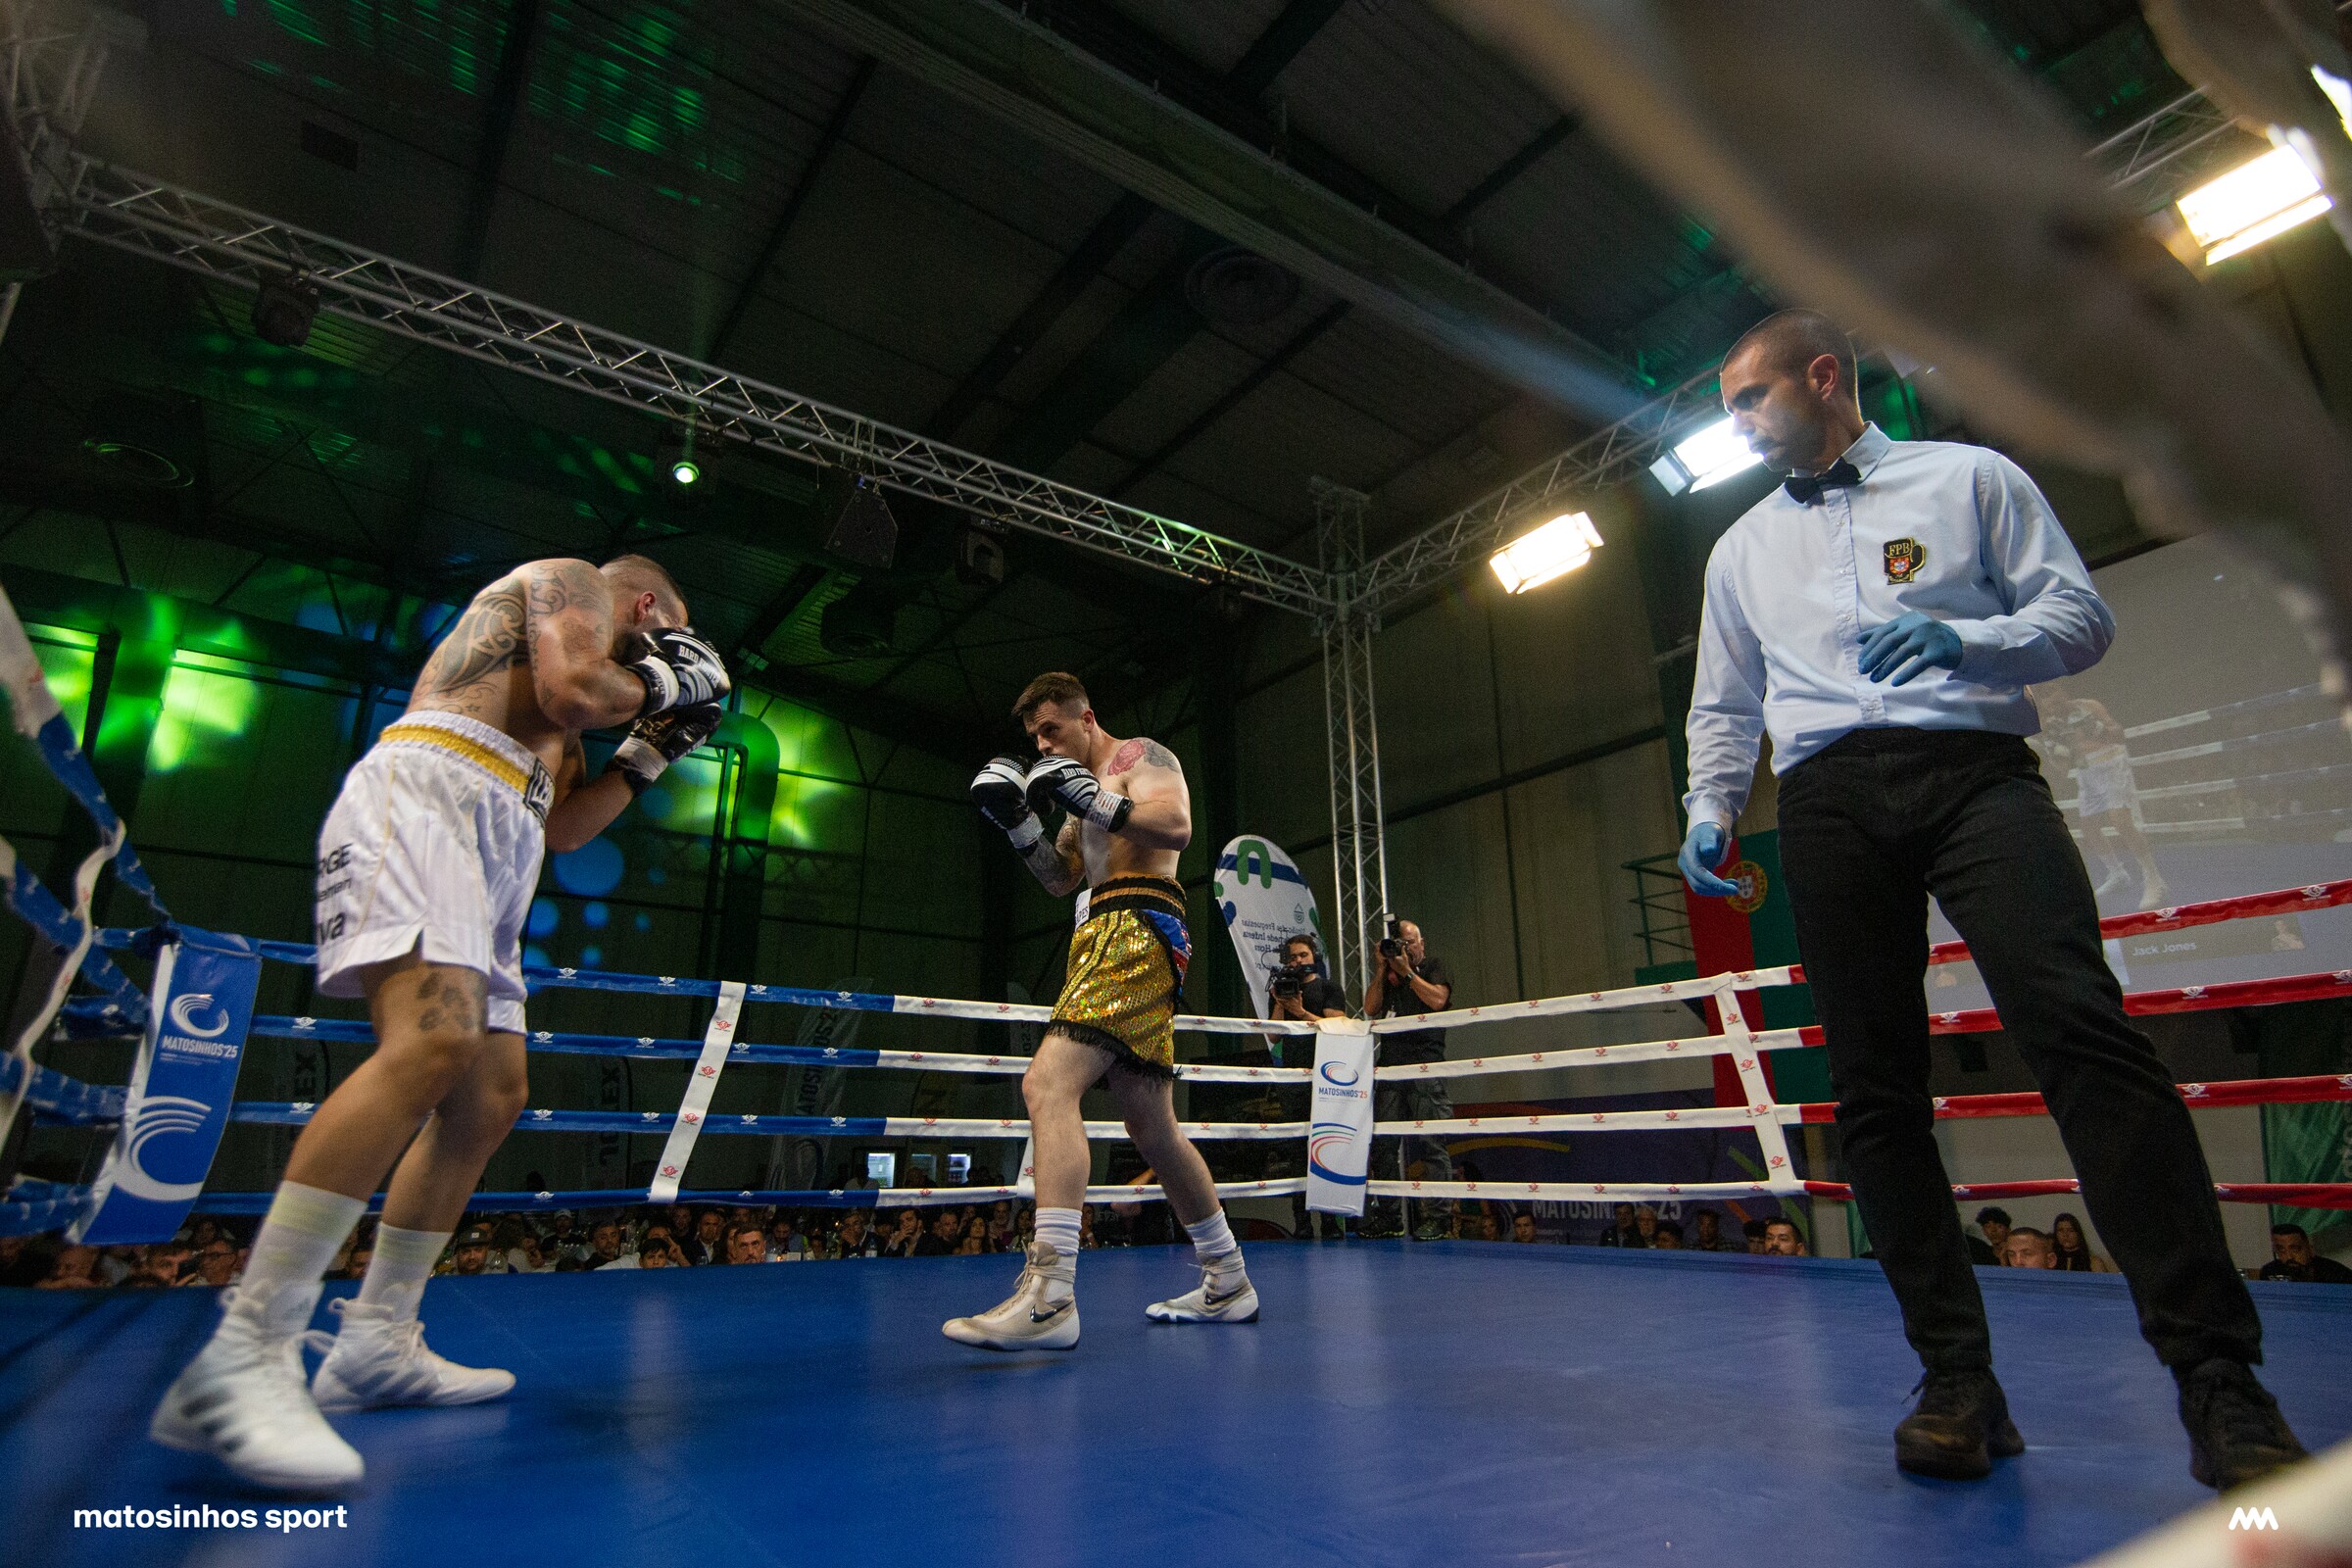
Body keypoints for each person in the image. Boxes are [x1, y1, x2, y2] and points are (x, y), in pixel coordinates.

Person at [1678, 310, 2300, 1490]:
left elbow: (2080, 620)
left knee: (2085, 1034)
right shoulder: (1739, 549)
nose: (1741, 425)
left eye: (1752, 398)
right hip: (1825, 802)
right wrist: (1709, 805)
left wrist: (1968, 643)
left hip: (1976, 774)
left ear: (1823, 376)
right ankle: (1957, 1380)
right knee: (1874, 1090)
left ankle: (2221, 1378)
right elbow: (1725, 702)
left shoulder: (1970, 478)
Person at [148, 553, 728, 1492]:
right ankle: (244, 1351)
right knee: (434, 1042)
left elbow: (566, 830)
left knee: (490, 1097)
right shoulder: (571, 584)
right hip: (430, 796)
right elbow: (578, 689)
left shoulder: (569, 716)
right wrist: (669, 679)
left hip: (502, 839)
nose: (668, 650)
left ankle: (376, 1341)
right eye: (669, 632)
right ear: (650, 604)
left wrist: (652, 752)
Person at [946, 672, 1255, 1349]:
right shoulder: (1076, 794)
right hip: (1103, 931)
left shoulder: (1139, 757)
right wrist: (1018, 822)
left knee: (1046, 1085)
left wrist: (1095, 800)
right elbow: (1061, 879)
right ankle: (1228, 1278)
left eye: (1051, 729)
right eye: (1033, 737)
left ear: (1086, 718)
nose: (1041, 744)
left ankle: (1051, 1297)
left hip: (1137, 924)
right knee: (1152, 1126)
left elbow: (1177, 826)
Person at [2028, 686, 2168, 911]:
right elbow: (2063, 769)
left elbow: (2119, 734)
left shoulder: (2089, 706)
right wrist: (2045, 755)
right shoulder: (2052, 726)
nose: (2051, 700)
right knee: (2088, 826)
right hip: (2087, 771)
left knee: (2120, 821)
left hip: (2111, 763)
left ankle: (2154, 879)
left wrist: (2097, 729)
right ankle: (2118, 873)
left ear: (2064, 692)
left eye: (2053, 692)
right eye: (2045, 698)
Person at [1359, 918, 1454, 1240]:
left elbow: (1438, 1001)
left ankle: (1439, 1219)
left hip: (1425, 1068)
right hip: (1390, 1069)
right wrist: (1381, 969)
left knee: (1431, 1143)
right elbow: (1370, 1007)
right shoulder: (1388, 976)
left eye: (1409, 943)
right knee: (1384, 1144)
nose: (1405, 949)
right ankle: (1390, 1217)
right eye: (1400, 944)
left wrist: (1408, 972)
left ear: (1421, 943)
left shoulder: (1433, 966)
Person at [1263, 932, 1347, 1064]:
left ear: (1315, 957)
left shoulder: (1328, 987)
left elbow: (1337, 1027)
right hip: (1291, 1064)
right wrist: (1280, 1004)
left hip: (1324, 1063)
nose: (1299, 960)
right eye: (1293, 957)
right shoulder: (1280, 989)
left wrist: (1301, 1013)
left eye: (1303, 955)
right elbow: (1273, 1037)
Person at [2258, 1224, 2352, 1284]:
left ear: (2310, 1249)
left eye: (2295, 1249)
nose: (2289, 1257)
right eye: (2281, 1250)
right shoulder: (2270, 1272)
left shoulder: (2337, 1274)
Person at [2051, 1213, 2117, 1273]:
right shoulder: (2051, 1262)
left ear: (2078, 1234)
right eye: (2061, 1230)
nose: (2065, 1235)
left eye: (2071, 1230)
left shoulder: (2093, 1262)